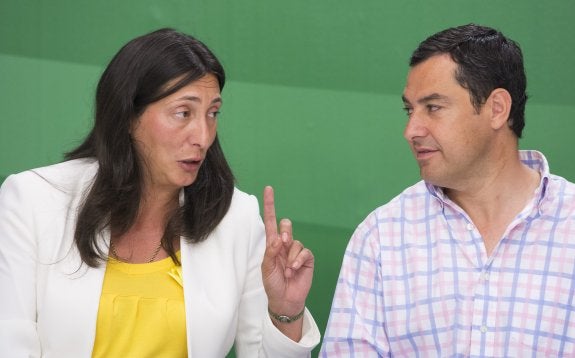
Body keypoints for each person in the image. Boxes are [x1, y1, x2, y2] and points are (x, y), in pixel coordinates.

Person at [0, 28, 320, 357]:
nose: (203, 136)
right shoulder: (32, 200)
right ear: (127, 115)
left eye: (212, 113)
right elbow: (9, 341)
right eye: (183, 113)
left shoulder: (235, 218)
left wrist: (286, 312)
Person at [320, 23, 575, 356]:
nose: (411, 130)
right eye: (409, 110)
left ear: (497, 108)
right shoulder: (382, 237)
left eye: (434, 107)